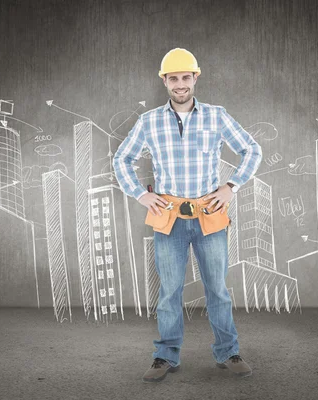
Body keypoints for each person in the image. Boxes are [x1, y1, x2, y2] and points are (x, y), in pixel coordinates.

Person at [113, 48, 262, 383]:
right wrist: (140, 193)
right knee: (169, 291)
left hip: (210, 216)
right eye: (173, 78)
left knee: (217, 290)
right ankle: (165, 356)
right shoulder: (149, 121)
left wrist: (231, 187)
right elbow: (122, 159)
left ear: (195, 77)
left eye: (185, 77)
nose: (180, 84)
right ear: (164, 81)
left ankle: (229, 351)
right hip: (169, 219)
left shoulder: (217, 116)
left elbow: (252, 149)